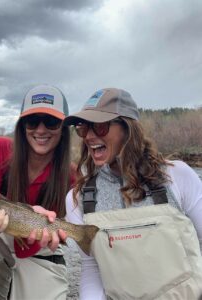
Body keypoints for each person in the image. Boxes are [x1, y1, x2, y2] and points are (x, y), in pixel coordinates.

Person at [64, 88, 202, 299]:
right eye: (83, 128)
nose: (89, 136)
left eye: (99, 126)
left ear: (128, 128)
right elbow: (92, 270)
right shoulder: (78, 199)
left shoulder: (178, 176)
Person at [0, 84, 76, 300]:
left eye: (51, 122)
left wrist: (34, 227)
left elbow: (26, 251)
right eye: (32, 121)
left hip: (42, 249)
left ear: (63, 128)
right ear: (22, 125)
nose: (40, 129)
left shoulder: (71, 174)